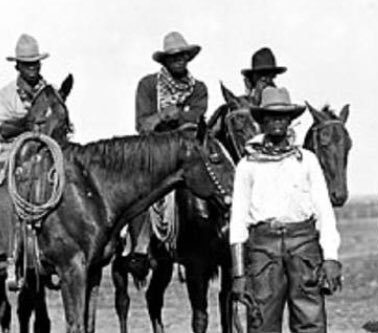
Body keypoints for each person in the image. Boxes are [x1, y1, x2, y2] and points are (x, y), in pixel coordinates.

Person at [229, 87, 342, 332]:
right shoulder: (247, 165)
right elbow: (238, 221)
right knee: (261, 322)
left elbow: (324, 210)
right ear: (262, 121)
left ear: (290, 120)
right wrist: (238, 274)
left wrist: (331, 257)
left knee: (310, 321)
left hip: (303, 247)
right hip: (262, 251)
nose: (277, 121)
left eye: (282, 116)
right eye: (271, 116)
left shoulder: (307, 160)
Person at [123, 31, 208, 275]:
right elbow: (143, 125)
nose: (179, 59)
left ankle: (206, 239)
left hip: (187, 151)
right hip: (155, 151)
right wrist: (164, 115)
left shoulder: (199, 89)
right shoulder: (148, 85)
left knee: (211, 180)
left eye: (182, 55)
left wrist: (175, 116)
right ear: (165, 61)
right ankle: (138, 244)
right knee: (137, 188)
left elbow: (196, 122)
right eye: (173, 56)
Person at [0, 33, 54, 158]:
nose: (32, 67)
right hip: (14, 152)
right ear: (17, 66)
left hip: (48, 151)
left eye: (35, 62)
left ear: (40, 64)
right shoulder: (5, 95)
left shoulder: (52, 92)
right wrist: (27, 123)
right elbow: (2, 131)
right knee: (3, 174)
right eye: (26, 64)